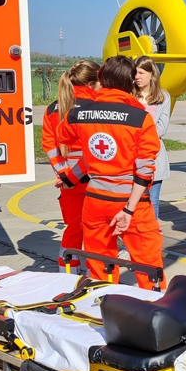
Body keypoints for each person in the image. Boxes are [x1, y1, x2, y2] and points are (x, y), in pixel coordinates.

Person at [57, 55, 165, 289]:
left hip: (95, 202)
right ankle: (156, 309)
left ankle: (103, 308)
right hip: (131, 204)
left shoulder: (80, 114)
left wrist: (70, 177)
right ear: (130, 82)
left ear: (102, 79)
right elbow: (145, 171)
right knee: (148, 265)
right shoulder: (140, 118)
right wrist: (128, 209)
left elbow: (68, 139)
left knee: (100, 263)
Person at [41, 60, 100, 270]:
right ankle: (98, 278)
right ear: (93, 83)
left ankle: (67, 275)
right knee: (97, 233)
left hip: (67, 182)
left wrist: (63, 173)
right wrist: (75, 174)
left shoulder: (51, 109)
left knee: (73, 229)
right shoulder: (95, 108)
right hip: (94, 179)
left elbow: (49, 145)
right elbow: (94, 149)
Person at [133, 55, 171, 221]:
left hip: (154, 155)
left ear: (151, 73)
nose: (137, 76)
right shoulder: (129, 96)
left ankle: (151, 237)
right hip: (132, 156)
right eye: (135, 73)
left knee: (152, 200)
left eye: (141, 72)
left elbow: (161, 128)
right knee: (132, 200)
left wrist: (138, 132)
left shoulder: (163, 97)